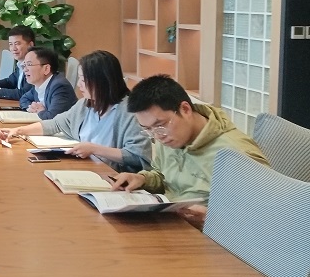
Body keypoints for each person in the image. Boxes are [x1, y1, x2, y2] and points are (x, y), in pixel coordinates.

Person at [111, 74, 269, 227]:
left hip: (210, 237)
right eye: (148, 129)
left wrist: (212, 219)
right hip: (171, 221)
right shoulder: (169, 137)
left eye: (160, 125)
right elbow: (163, 176)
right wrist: (142, 179)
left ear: (185, 109)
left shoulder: (236, 154)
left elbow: (265, 216)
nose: (157, 136)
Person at [0, 50, 151, 173]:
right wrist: (18, 131)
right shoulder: (85, 104)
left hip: (110, 179)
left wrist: (94, 149)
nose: (79, 85)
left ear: (102, 81)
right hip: (83, 171)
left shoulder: (129, 112)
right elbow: (55, 124)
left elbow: (138, 157)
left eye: (83, 80)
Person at [0, 25, 35, 100]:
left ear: (30, 45)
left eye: (17, 44)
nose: (13, 48)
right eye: (11, 44)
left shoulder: (35, 65)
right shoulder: (21, 63)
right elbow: (10, 82)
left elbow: (24, 93)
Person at [18, 47, 77, 119]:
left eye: (29, 64)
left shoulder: (60, 86)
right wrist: (33, 108)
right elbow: (24, 99)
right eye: (24, 65)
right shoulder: (39, 84)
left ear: (46, 69)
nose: (25, 69)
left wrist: (40, 112)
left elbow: (53, 118)